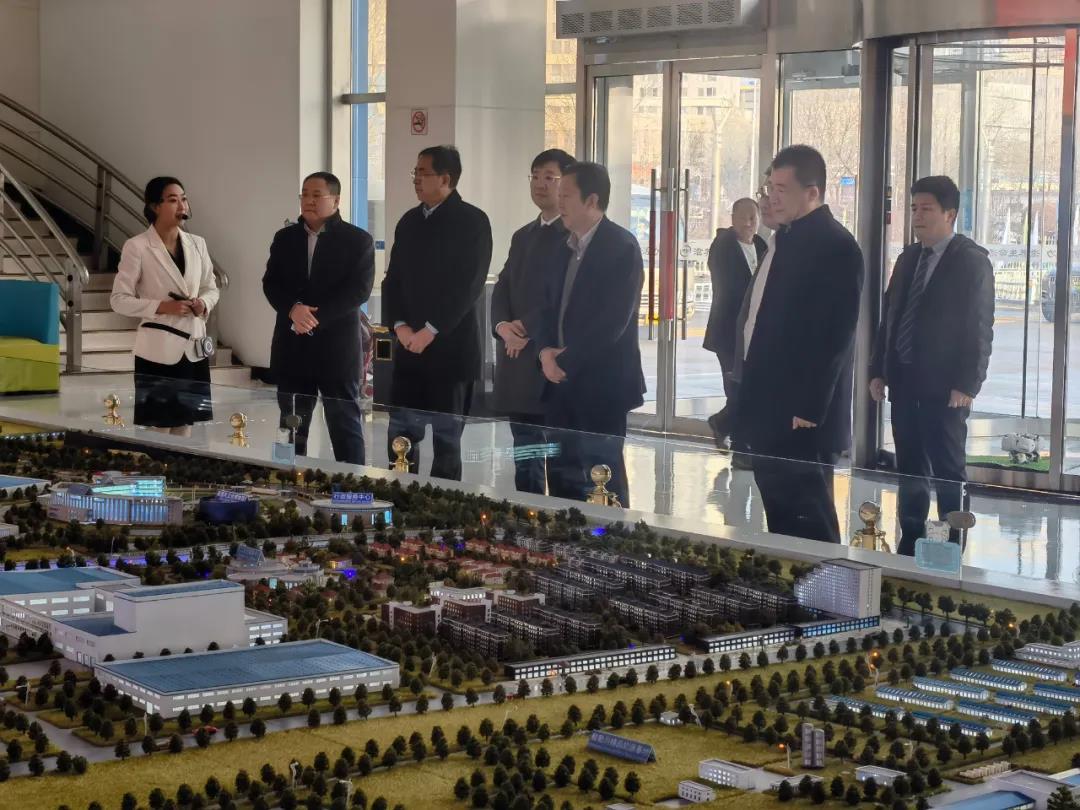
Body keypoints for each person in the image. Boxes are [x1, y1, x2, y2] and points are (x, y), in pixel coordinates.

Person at [732, 145, 864, 544]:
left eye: (782, 190)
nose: (772, 197)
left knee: (809, 518)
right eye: (770, 187)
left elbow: (834, 336)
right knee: (781, 514)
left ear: (812, 193)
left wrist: (809, 406)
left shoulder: (835, 246)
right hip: (770, 406)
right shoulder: (786, 239)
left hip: (802, 415)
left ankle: (826, 584)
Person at [870, 175, 993, 555]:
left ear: (949, 214)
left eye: (926, 209)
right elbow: (890, 317)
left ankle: (951, 546)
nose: (917, 217)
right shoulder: (908, 258)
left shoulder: (970, 262)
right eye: (914, 209)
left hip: (945, 389)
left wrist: (968, 384)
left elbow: (979, 327)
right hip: (905, 383)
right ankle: (911, 541)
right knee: (910, 467)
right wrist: (878, 370)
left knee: (947, 471)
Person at [532, 161, 645, 507]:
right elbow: (544, 308)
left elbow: (612, 323)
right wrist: (544, 353)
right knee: (561, 474)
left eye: (566, 195)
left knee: (603, 475)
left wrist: (563, 361)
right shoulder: (561, 247)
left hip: (602, 384)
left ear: (592, 200)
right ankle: (566, 535)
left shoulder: (621, 247)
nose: (559, 201)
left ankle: (610, 539)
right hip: (559, 383)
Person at [382, 145, 493, 480]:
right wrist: (399, 325)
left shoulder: (473, 221)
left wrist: (430, 330)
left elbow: (468, 286)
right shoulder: (409, 221)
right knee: (401, 440)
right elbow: (393, 279)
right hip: (409, 348)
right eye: (415, 172)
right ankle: (399, 498)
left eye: (423, 173)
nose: (416, 179)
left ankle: (441, 507)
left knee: (446, 444)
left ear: (446, 179)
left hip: (451, 350)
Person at [263, 171, 374, 464]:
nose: (308, 201)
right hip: (292, 345)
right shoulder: (285, 238)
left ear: (335, 200)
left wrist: (314, 318)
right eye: (304, 194)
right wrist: (293, 310)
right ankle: (286, 479)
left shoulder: (357, 240)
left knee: (344, 424)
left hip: (337, 348)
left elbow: (358, 291)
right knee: (290, 425)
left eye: (316, 195)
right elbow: (271, 283)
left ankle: (354, 484)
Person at [491, 148, 575, 494]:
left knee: (558, 459)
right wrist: (502, 326)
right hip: (517, 359)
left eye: (549, 177)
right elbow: (504, 284)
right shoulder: (523, 235)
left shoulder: (572, 237)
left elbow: (558, 297)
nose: (540, 184)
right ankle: (528, 515)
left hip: (549, 357)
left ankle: (557, 520)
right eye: (535, 176)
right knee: (525, 454)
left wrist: (523, 327)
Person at [111, 177, 219, 436]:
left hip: (193, 348)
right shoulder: (137, 246)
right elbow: (118, 300)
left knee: (185, 424)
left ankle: (180, 464)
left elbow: (211, 287)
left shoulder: (198, 243)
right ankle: (156, 464)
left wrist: (203, 303)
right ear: (155, 206)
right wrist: (161, 306)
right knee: (158, 428)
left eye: (184, 199)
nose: (182, 205)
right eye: (173, 200)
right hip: (158, 351)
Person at [702, 198, 768, 447]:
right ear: (733, 219)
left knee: (748, 389)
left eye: (753, 218)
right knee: (736, 389)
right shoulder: (723, 246)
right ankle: (736, 440)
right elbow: (728, 287)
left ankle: (724, 427)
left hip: (754, 334)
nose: (749, 223)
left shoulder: (762, 246)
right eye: (744, 217)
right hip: (729, 332)